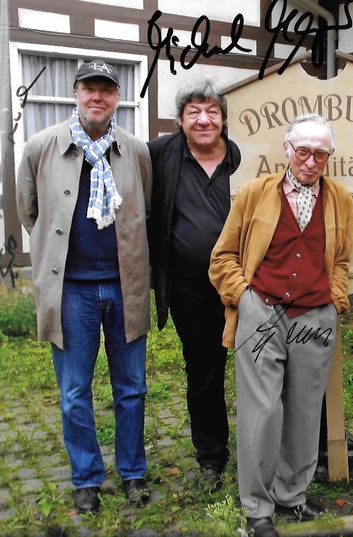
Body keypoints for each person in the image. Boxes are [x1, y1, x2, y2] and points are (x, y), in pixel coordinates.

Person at [16, 59, 152, 512]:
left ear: (117, 98)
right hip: (71, 290)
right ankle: (86, 477)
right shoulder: (41, 147)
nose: (98, 97)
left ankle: (132, 472)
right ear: (76, 93)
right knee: (75, 390)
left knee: (131, 388)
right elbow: (30, 211)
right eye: (89, 88)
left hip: (123, 287)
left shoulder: (135, 150)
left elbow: (144, 211)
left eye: (107, 90)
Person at [209, 113, 353, 537]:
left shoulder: (341, 198)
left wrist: (335, 295)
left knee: (307, 410)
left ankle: (292, 495)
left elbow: (342, 258)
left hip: (315, 314)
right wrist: (244, 297)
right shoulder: (255, 193)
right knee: (263, 409)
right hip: (262, 310)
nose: (311, 161)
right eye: (303, 151)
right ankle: (258, 507)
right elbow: (222, 257)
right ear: (288, 150)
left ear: (329, 156)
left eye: (321, 154)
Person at [148, 78, 240, 490]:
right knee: (203, 372)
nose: (204, 120)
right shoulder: (159, 154)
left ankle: (288, 449)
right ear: (181, 119)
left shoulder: (244, 155)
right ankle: (211, 458)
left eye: (212, 112)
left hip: (250, 285)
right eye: (193, 112)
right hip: (190, 289)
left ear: (223, 118)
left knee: (271, 369)